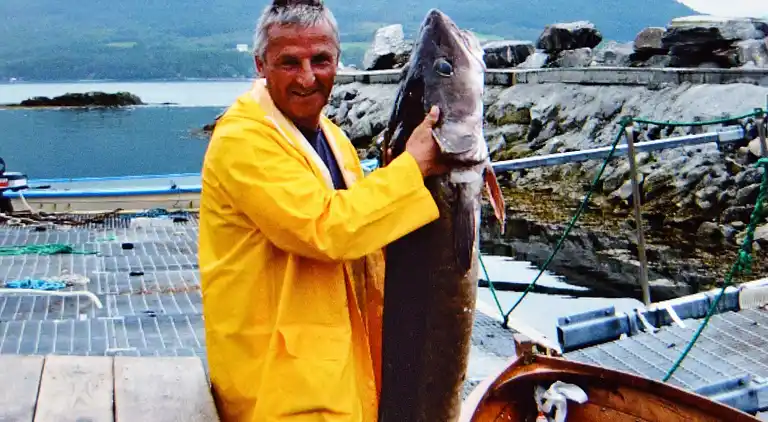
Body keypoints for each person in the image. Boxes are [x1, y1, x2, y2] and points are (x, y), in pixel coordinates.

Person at [197, 0, 447, 420]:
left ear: (337, 61)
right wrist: (412, 168)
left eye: (320, 60)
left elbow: (363, 230)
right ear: (261, 65)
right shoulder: (242, 140)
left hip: (334, 372)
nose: (307, 77)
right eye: (289, 62)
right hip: (279, 385)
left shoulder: (332, 137)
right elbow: (327, 228)